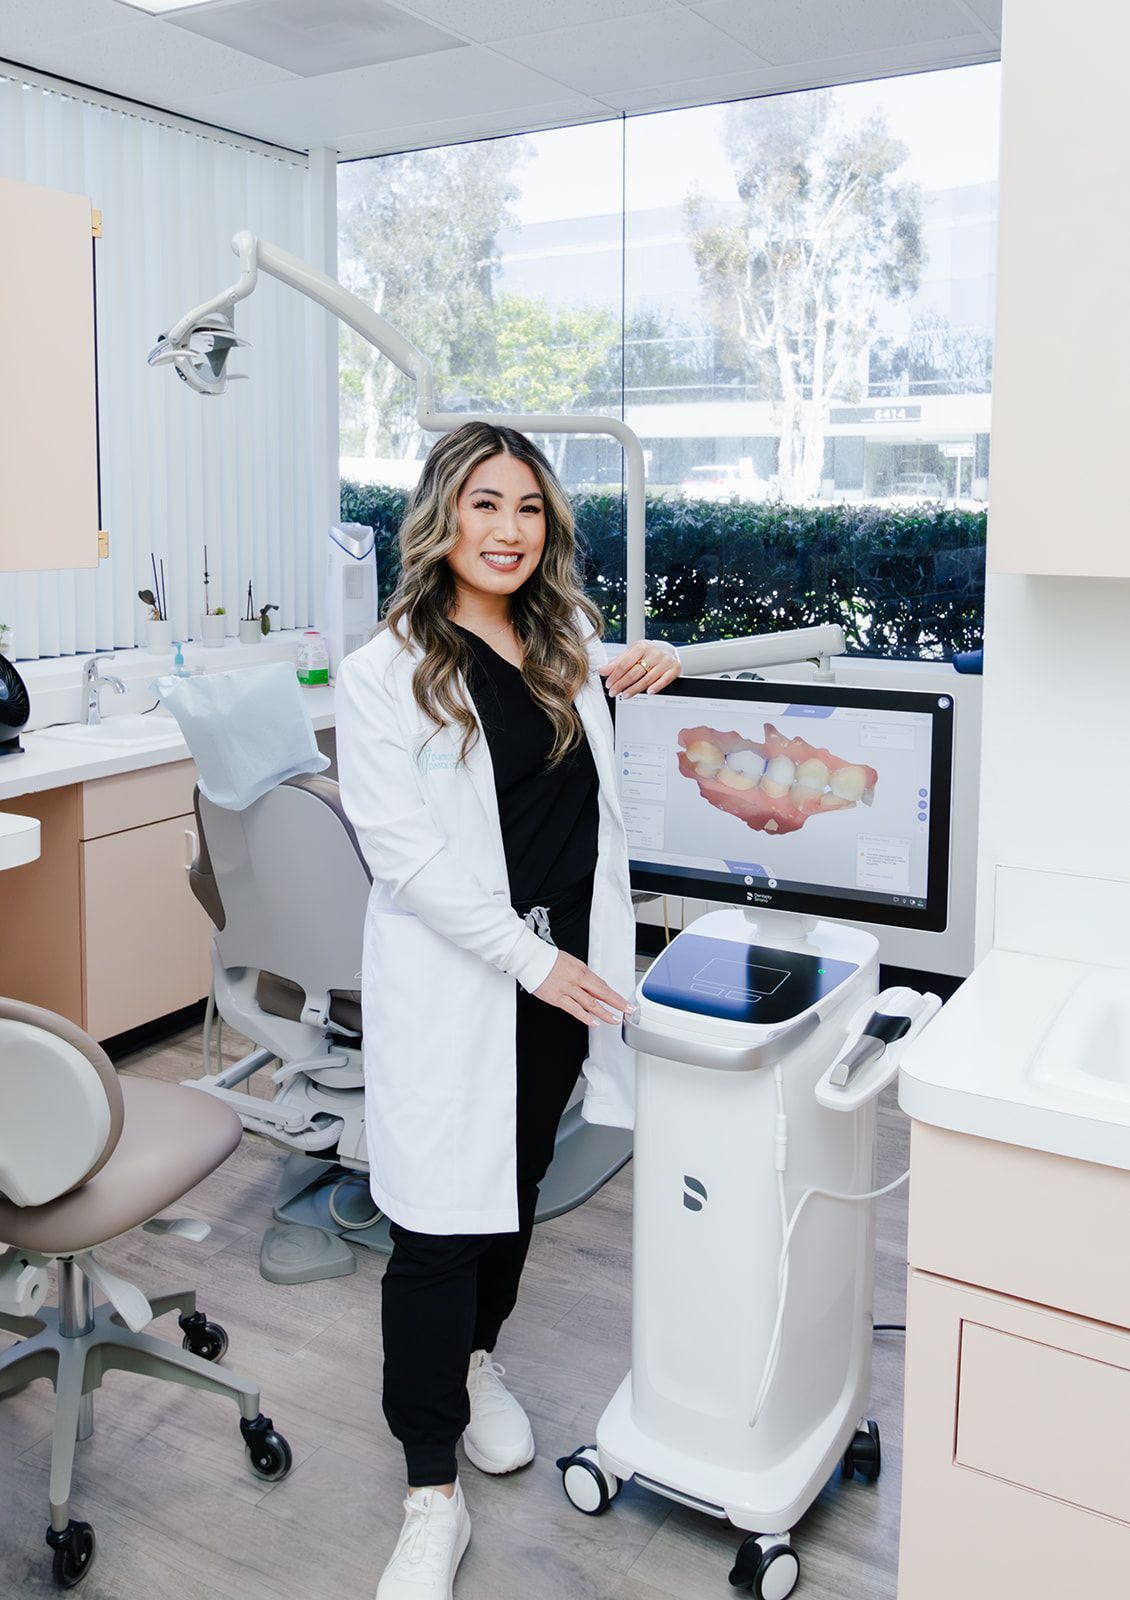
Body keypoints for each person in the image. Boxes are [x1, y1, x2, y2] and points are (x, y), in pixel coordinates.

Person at [335, 420, 681, 1599]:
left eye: (528, 509)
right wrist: (526, 964)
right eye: (484, 504)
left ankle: (478, 1362)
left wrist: (653, 660)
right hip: (467, 984)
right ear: (441, 516)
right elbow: (407, 864)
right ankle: (429, 1492)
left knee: (511, 1193)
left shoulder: (561, 638)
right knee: (436, 1227)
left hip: (559, 982)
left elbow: (588, 770)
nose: (507, 530)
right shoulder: (380, 670)